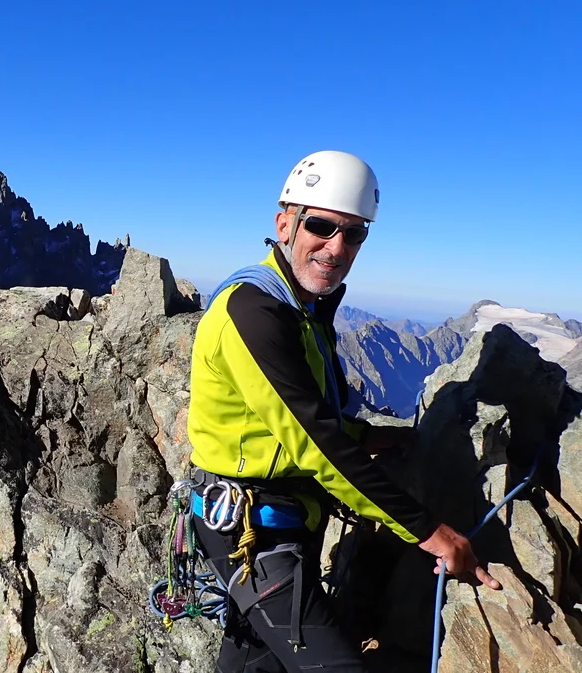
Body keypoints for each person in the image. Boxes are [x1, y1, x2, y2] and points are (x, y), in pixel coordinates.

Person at [186, 150, 500, 672]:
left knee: (257, 660)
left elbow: (298, 414)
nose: (337, 247)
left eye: (354, 234)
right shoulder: (253, 312)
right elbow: (317, 444)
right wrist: (428, 530)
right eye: (322, 226)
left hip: (279, 517)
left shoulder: (299, 308)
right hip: (252, 530)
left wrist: (372, 436)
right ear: (285, 222)